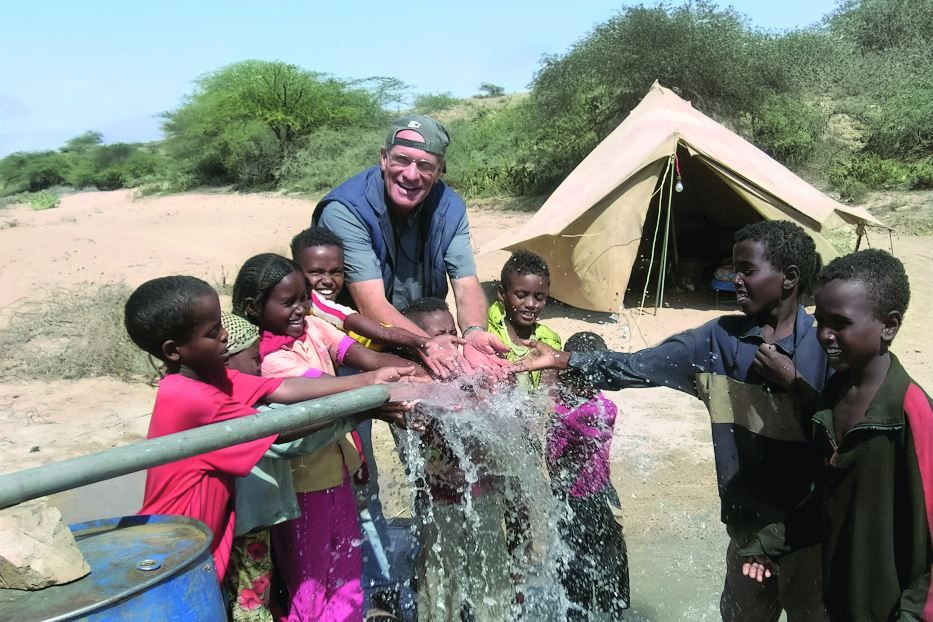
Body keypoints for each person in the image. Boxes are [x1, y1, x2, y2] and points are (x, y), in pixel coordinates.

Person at [512, 220, 830, 621]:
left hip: (810, 538)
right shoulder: (718, 341)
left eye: (748, 271)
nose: (736, 280)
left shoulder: (826, 347)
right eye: (735, 269)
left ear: (789, 278)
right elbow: (637, 367)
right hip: (749, 537)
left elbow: (844, 439)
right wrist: (564, 360)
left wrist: (795, 383)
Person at [124, 276, 417, 585]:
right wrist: (363, 408)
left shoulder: (211, 378)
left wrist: (368, 381)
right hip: (175, 546)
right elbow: (281, 431)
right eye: (212, 332)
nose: (225, 335)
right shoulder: (192, 398)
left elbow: (284, 388)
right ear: (173, 351)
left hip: (200, 536)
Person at [232, 253, 425, 621]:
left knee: (347, 574)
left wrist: (430, 375)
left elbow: (362, 357)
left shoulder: (313, 329)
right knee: (311, 583)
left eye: (304, 298)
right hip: (302, 488)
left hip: (337, 475)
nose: (301, 309)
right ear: (254, 308)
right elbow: (330, 391)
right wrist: (372, 396)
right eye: (288, 302)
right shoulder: (268, 361)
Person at [312, 114, 508, 372]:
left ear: (440, 171)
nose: (411, 175)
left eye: (426, 166)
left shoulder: (451, 209)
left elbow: (466, 285)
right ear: (384, 158)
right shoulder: (346, 211)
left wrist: (472, 334)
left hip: (420, 331)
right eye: (401, 160)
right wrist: (430, 346)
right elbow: (372, 306)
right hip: (353, 340)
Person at [810, 249, 932, 620]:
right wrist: (769, 541)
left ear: (889, 326)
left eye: (840, 323)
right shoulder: (832, 397)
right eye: (819, 321)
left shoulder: (911, 412)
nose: (825, 335)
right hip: (841, 601)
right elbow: (825, 497)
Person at [400, 298, 515, 622]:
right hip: (439, 505)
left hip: (483, 497)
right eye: (443, 336)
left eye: (455, 332)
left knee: (491, 581)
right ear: (422, 345)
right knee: (439, 586)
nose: (454, 343)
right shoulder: (414, 383)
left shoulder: (472, 376)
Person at [548, 331, 629, 620]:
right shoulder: (597, 405)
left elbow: (556, 462)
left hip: (589, 497)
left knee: (594, 569)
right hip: (584, 497)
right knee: (588, 571)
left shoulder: (589, 410)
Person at [486, 250, 561, 389]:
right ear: (502, 294)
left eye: (539, 297)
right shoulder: (486, 331)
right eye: (521, 295)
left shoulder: (549, 341)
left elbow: (548, 396)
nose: (531, 304)